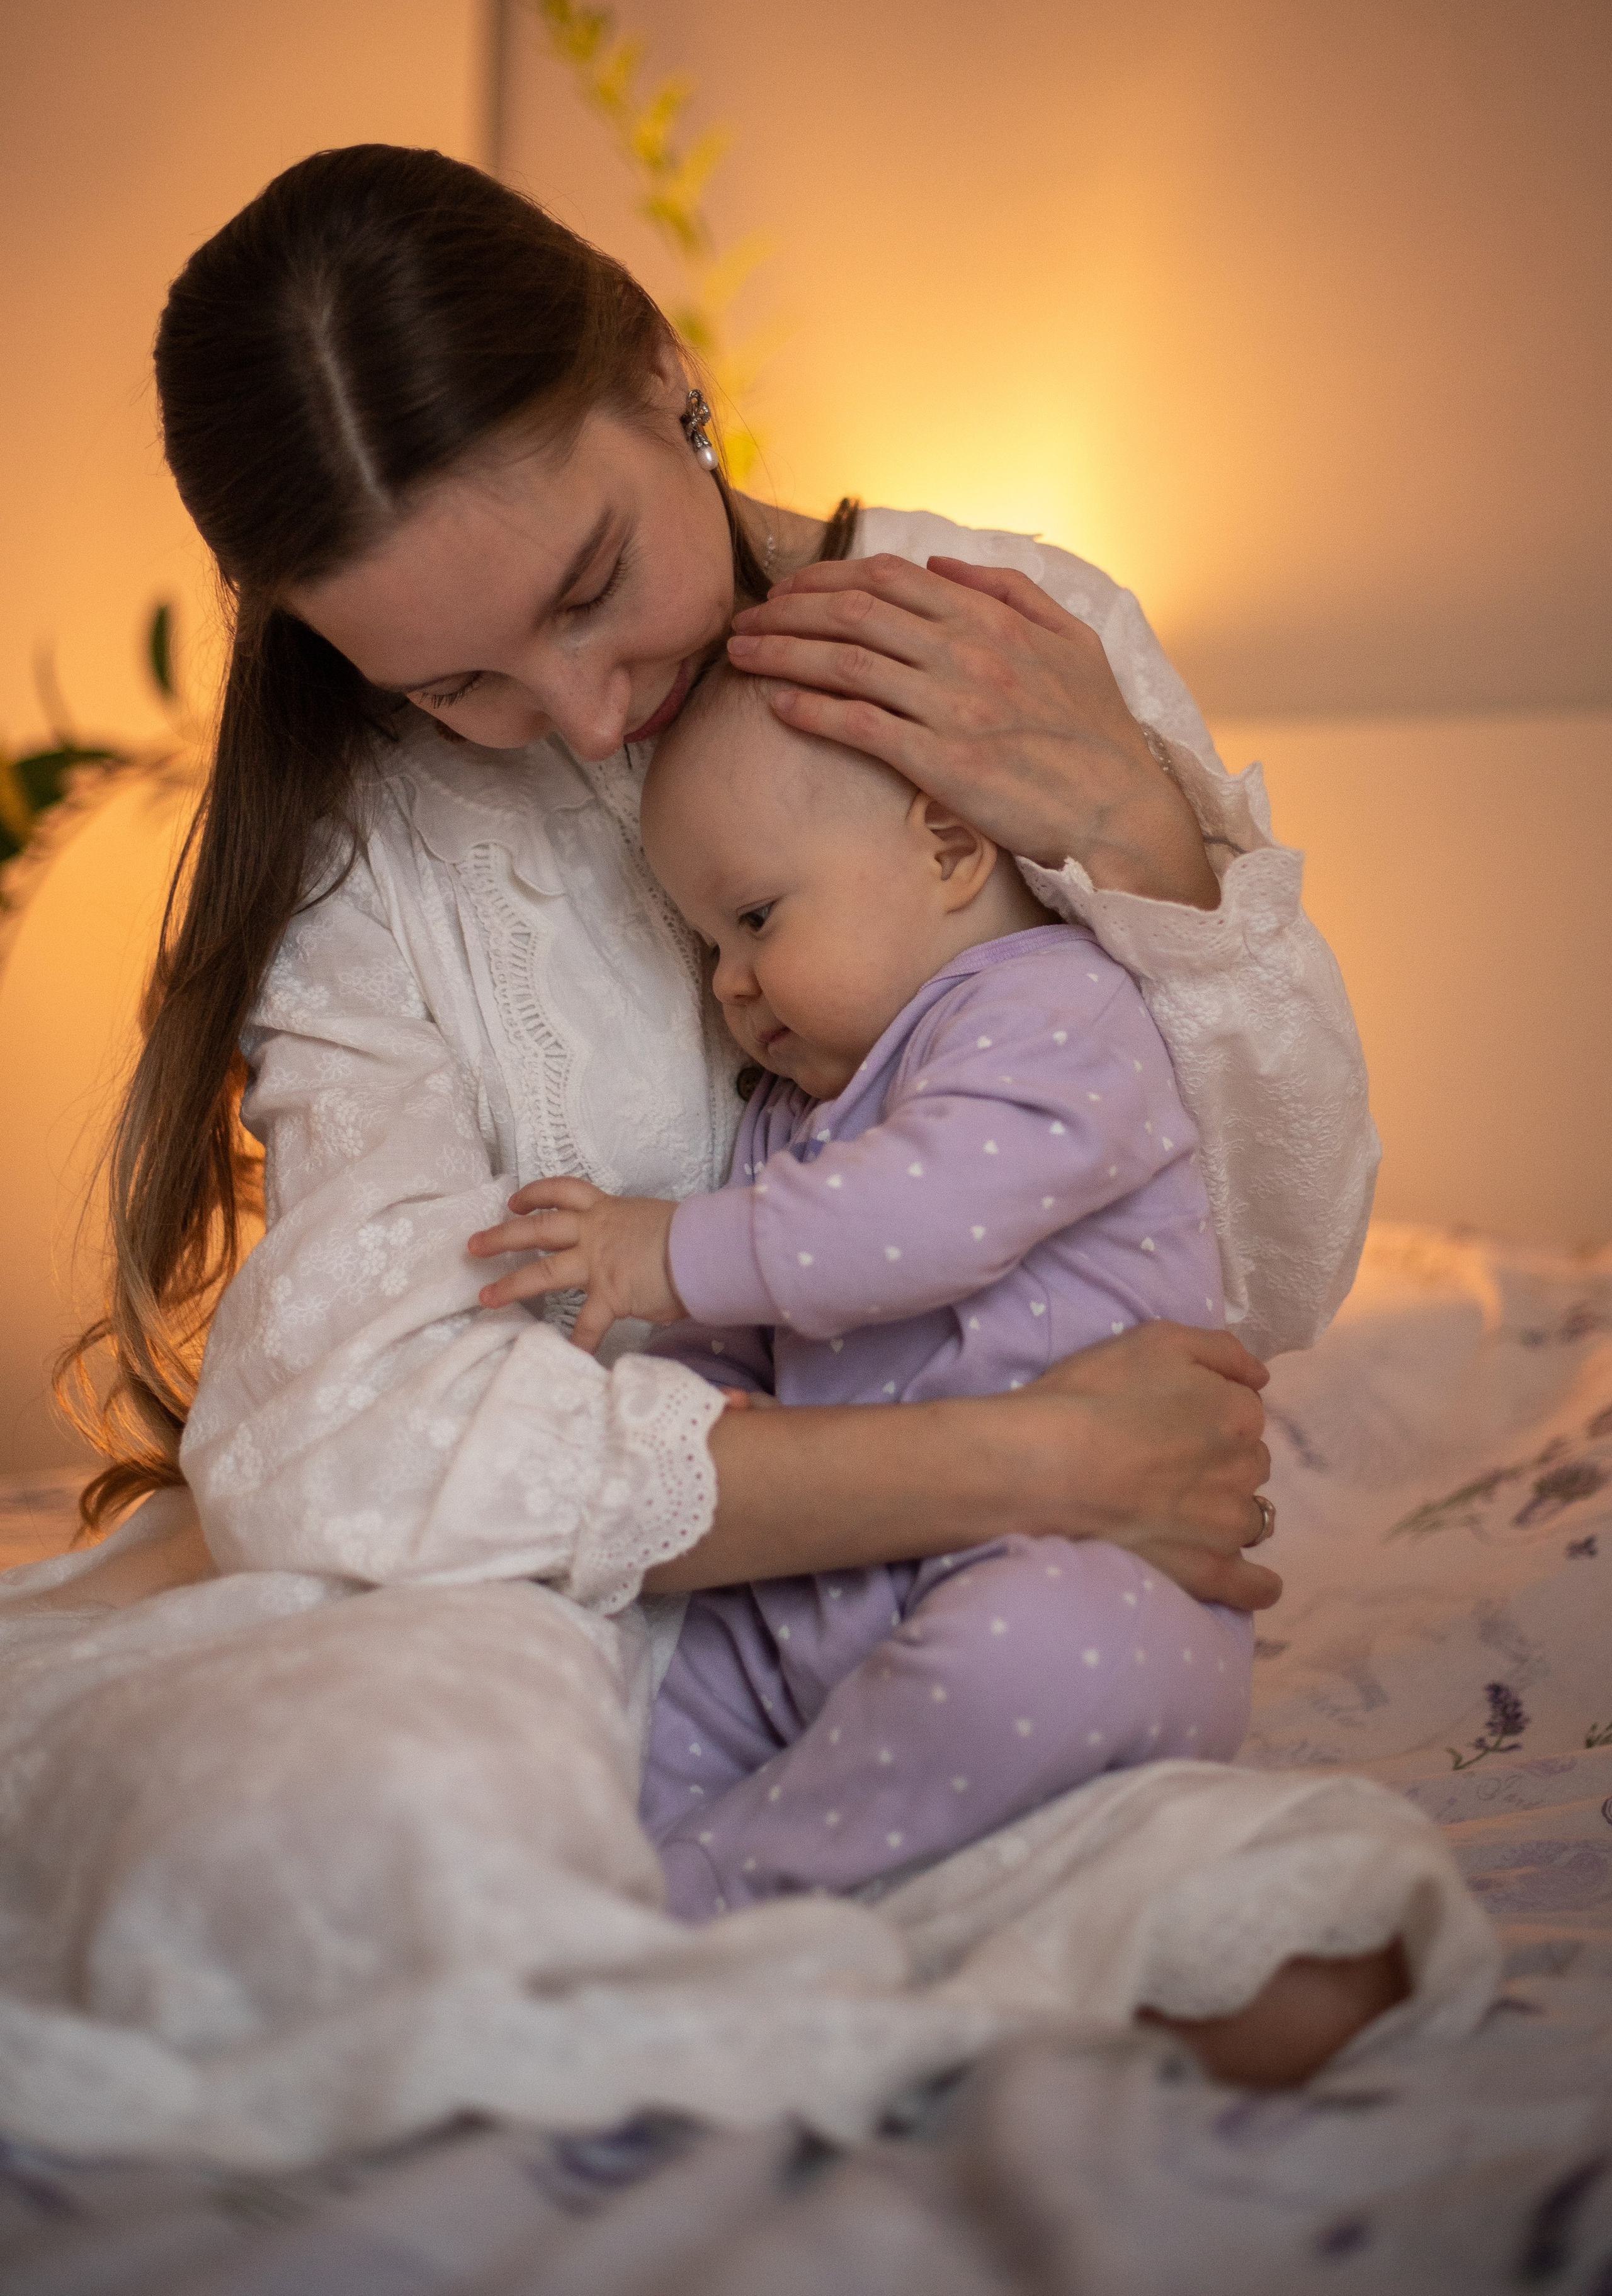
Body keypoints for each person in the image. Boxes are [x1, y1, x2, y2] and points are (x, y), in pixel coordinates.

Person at [0, 146, 1490, 2165]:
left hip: (978, 1601)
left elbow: (1281, 1269)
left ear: (663, 372)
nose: (585, 714)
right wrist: (1029, 1458)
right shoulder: (365, 855)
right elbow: (345, 1438)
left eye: (589, 587)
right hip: (564, 1605)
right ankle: (739, 1959)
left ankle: (725, 1968)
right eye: (453, 684)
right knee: (333, 1830)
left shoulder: (1002, 638)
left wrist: (1142, 838)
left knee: (1299, 1938)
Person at [468, 657, 1254, 1921]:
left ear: (948, 851)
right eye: (707, 944)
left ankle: (718, 1889)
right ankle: (599, 1885)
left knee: (1042, 1658)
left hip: (1081, 1566)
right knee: (636, 1685)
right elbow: (747, 1327)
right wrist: (702, 1407)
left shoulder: (1055, 1007)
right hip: (825, 1586)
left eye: (755, 920)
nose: (726, 982)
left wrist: (660, 1252)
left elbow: (920, 1223)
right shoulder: (791, 1117)